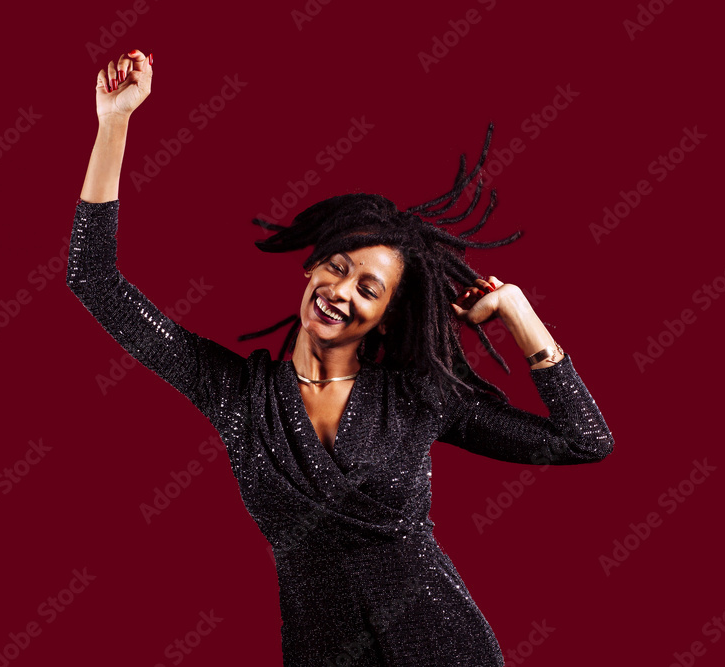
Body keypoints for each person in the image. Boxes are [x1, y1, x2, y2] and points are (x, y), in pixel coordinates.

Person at [69, 49, 614, 667]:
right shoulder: (236, 394)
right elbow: (94, 280)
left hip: (443, 647)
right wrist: (114, 124)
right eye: (338, 267)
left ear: (386, 315)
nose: (342, 292)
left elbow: (585, 440)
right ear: (311, 266)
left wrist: (519, 313)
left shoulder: (415, 396)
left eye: (369, 289)